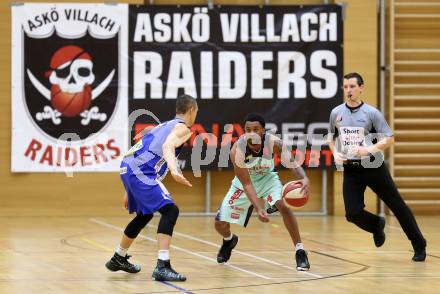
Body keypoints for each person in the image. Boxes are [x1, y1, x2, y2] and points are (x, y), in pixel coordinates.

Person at [328, 72, 426, 261]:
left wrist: (369, 149)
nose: (348, 90)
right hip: (351, 170)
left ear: (361, 88)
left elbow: (390, 138)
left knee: (397, 206)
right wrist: (335, 152)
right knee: (352, 213)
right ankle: (376, 225)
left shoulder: (372, 113)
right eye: (346, 87)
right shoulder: (336, 112)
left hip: (373, 167)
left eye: (352, 86)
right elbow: (331, 137)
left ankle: (419, 244)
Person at [105, 94, 198, 281]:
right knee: (171, 211)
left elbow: (142, 150)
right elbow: (167, 146)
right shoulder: (183, 128)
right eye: (196, 111)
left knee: (145, 214)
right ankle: (162, 266)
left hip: (128, 168)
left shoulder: (162, 125)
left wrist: (128, 188)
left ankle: (118, 257)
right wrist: (174, 169)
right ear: (191, 110)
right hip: (140, 172)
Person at [214, 113, 311, 271]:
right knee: (219, 224)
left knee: (283, 206)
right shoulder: (237, 150)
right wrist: (259, 208)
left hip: (267, 179)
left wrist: (304, 177)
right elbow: (247, 183)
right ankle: (229, 240)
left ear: (263, 131)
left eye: (256, 129)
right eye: (248, 129)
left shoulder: (274, 143)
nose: (252, 133)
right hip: (244, 184)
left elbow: (291, 163)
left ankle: (300, 250)